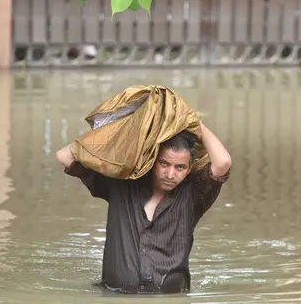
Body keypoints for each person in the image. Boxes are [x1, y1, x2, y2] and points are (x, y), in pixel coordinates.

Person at [56, 120, 231, 294]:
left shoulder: (193, 195)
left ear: (188, 169)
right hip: (117, 303)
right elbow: (65, 156)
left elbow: (223, 162)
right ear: (152, 161)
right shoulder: (121, 185)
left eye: (180, 167)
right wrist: (124, 125)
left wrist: (191, 120)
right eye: (164, 163)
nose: (170, 174)